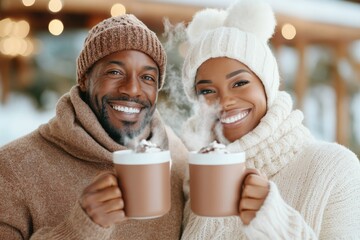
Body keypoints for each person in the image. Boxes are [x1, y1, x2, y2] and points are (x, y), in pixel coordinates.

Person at [179, 0, 360, 239]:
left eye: (240, 83)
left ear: (267, 87)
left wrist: (274, 222)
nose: (224, 101)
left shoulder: (335, 169)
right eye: (207, 91)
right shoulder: (193, 177)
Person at [0, 14, 187, 239]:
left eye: (147, 77)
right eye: (115, 72)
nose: (132, 89)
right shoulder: (13, 168)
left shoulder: (180, 159)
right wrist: (78, 230)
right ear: (85, 79)